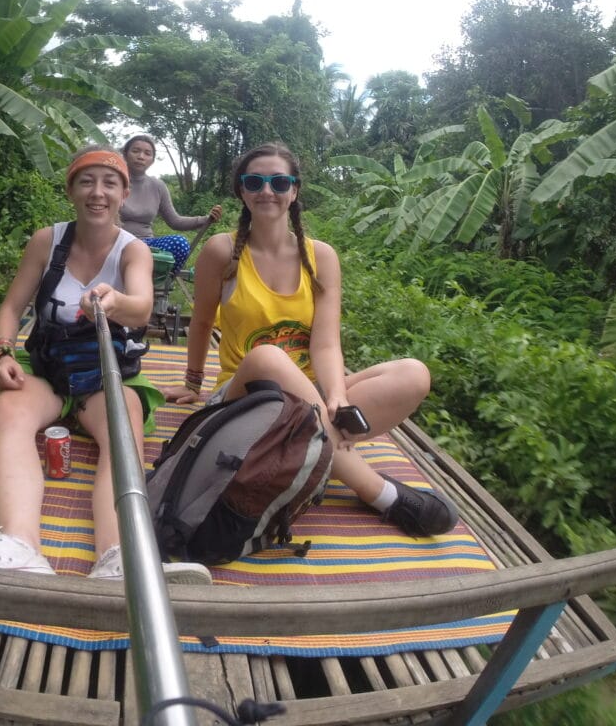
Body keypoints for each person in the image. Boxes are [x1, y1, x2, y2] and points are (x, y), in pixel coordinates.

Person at [163, 142, 458, 538]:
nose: (267, 190)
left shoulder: (321, 257)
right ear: (242, 192)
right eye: (255, 182)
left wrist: (335, 398)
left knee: (414, 373)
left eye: (279, 181)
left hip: (309, 398)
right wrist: (193, 383)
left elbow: (325, 343)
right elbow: (200, 324)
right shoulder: (222, 251)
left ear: (294, 191)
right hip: (246, 399)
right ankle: (382, 494)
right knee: (267, 357)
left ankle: (316, 447)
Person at [0, 146, 212, 583]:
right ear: (71, 190)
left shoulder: (135, 251)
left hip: (105, 374)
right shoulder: (47, 240)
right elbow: (11, 308)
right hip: (49, 368)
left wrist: (114, 301)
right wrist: (2, 353)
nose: (98, 193)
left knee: (123, 427)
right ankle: (19, 543)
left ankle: (118, 554)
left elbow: (140, 309)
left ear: (124, 193)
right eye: (86, 182)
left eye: (109, 183)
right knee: (9, 410)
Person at [120, 134, 222, 271]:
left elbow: (175, 221)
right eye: (135, 151)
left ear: (152, 160)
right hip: (116, 241)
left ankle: (160, 285)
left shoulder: (158, 186)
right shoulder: (113, 180)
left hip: (147, 244)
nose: (141, 156)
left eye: (147, 153)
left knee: (180, 243)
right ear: (125, 154)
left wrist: (206, 219)